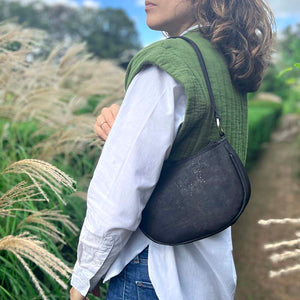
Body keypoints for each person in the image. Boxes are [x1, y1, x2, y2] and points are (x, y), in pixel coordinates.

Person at [69, 0, 275, 299]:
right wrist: (126, 133)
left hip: (152, 273)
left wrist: (85, 276)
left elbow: (119, 191)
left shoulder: (168, 63)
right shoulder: (227, 60)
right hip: (210, 272)